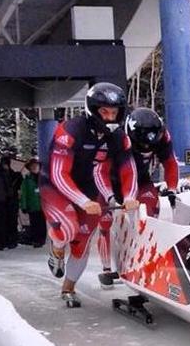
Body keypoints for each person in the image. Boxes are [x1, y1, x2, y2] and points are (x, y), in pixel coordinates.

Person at [39, 82, 139, 307]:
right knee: (67, 229)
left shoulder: (120, 137)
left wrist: (130, 196)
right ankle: (56, 249)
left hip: (89, 189)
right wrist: (82, 202)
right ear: (93, 110)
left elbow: (128, 168)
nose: (110, 117)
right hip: (56, 186)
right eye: (104, 112)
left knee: (82, 242)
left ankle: (68, 288)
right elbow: (58, 173)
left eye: (114, 112)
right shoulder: (70, 130)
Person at [97, 107, 179, 279]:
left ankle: (145, 260)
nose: (146, 147)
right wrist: (110, 197)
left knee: (147, 216)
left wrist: (172, 189)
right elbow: (100, 171)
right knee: (105, 223)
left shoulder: (163, 137)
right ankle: (106, 269)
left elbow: (170, 163)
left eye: (150, 144)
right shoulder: (115, 138)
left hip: (141, 181)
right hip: (112, 182)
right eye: (141, 144)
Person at [20, 157, 46, 248]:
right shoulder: (27, 180)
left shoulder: (44, 178)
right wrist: (24, 206)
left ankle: (42, 239)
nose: (34, 167)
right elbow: (24, 193)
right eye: (32, 166)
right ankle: (36, 240)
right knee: (34, 223)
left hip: (43, 205)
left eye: (36, 165)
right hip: (32, 205)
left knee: (42, 224)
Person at [1, 152, 23, 248]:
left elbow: (19, 186)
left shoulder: (14, 175)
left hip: (12, 201)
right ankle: (5, 240)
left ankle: (12, 240)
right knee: (4, 222)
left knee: (12, 222)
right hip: (2, 201)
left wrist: (19, 178)